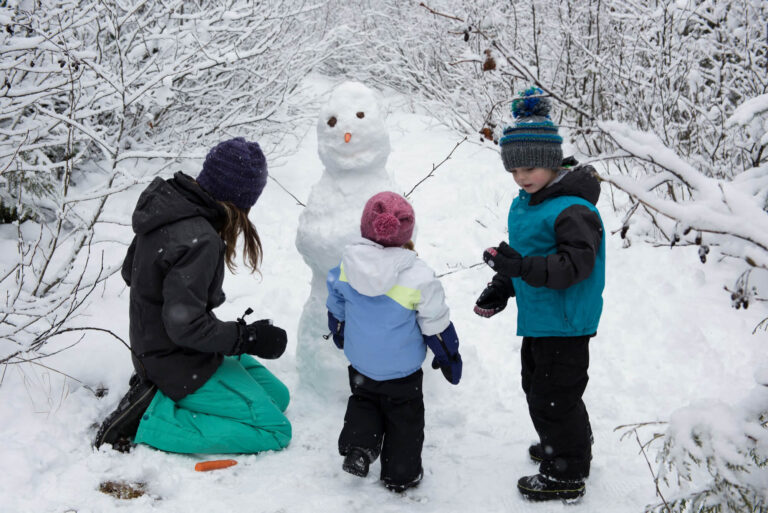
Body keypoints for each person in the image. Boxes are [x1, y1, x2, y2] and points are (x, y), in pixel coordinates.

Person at [93, 137, 292, 454]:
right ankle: (150, 418)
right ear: (241, 200)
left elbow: (132, 272)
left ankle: (161, 393)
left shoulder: (169, 207)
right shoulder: (199, 238)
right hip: (177, 363)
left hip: (166, 350)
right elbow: (185, 327)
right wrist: (247, 338)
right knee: (275, 429)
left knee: (278, 398)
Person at [474, 87, 605, 502]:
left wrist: (520, 268)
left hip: (564, 321)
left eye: (530, 167)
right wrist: (502, 286)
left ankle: (566, 470)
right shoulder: (531, 202)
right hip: (541, 317)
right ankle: (567, 442)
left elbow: (573, 266)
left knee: (553, 395)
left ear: (551, 161)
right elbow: (529, 258)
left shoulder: (572, 209)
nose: (522, 177)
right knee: (541, 387)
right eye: (514, 170)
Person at [325, 191, 462, 493]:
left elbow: (335, 299)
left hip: (361, 362)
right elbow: (435, 321)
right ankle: (401, 473)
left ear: (365, 227)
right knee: (404, 418)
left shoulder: (347, 265)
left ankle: (359, 447)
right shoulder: (418, 276)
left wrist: (337, 326)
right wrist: (448, 352)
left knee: (365, 402)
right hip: (402, 370)